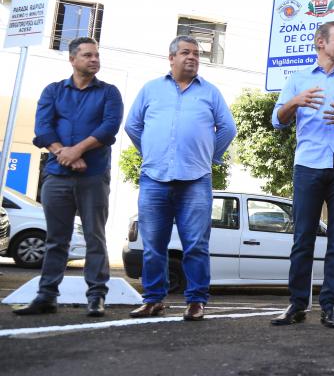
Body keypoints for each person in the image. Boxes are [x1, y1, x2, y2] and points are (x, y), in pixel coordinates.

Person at [125, 35, 236, 321]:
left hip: (196, 179)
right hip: (154, 178)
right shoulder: (151, 90)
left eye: (197, 54)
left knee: (196, 244)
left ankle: (197, 300)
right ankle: (153, 299)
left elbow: (227, 128)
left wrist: (208, 156)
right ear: (171, 57)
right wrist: (152, 153)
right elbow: (133, 126)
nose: (193, 57)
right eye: (186, 52)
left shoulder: (210, 92)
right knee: (152, 246)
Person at [269, 21, 334, 329]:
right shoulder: (297, 79)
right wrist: (295, 102)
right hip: (309, 165)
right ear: (320, 43)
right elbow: (278, 120)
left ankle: (330, 305)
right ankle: (298, 304)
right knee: (303, 239)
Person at [14, 37, 123, 318]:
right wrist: (64, 154)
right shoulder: (53, 91)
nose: (94, 59)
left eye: (96, 55)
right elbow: (43, 127)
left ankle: (96, 296)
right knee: (55, 240)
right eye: (87, 55)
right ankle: (47, 296)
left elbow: (109, 128)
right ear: (72, 59)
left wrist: (77, 151)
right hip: (57, 176)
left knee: (95, 238)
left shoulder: (109, 93)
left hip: (94, 177)